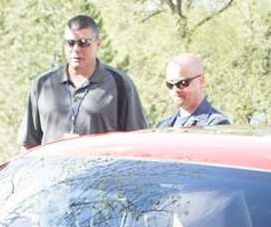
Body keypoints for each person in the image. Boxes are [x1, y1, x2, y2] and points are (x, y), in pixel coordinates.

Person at [20, 14, 146, 149]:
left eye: (84, 43)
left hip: (100, 163)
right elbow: (29, 144)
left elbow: (137, 141)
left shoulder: (119, 83)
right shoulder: (43, 85)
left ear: (98, 43)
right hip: (52, 163)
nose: (76, 49)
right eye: (70, 43)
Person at [156, 53, 231, 128]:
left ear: (201, 81)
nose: (175, 90)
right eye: (170, 85)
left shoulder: (216, 125)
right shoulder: (162, 126)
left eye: (183, 83)